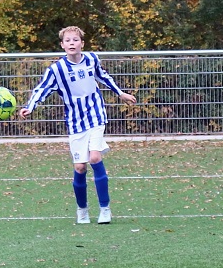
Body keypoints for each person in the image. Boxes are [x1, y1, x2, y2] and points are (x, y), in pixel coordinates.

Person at [18, 26, 136, 224]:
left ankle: (105, 209)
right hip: (75, 121)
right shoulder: (57, 69)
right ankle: (82, 210)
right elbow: (42, 89)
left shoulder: (91, 59)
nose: (72, 43)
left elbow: (103, 76)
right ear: (62, 45)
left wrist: (120, 93)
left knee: (95, 157)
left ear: (82, 43)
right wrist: (30, 107)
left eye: (75, 40)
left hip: (96, 115)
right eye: (68, 40)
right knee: (80, 167)